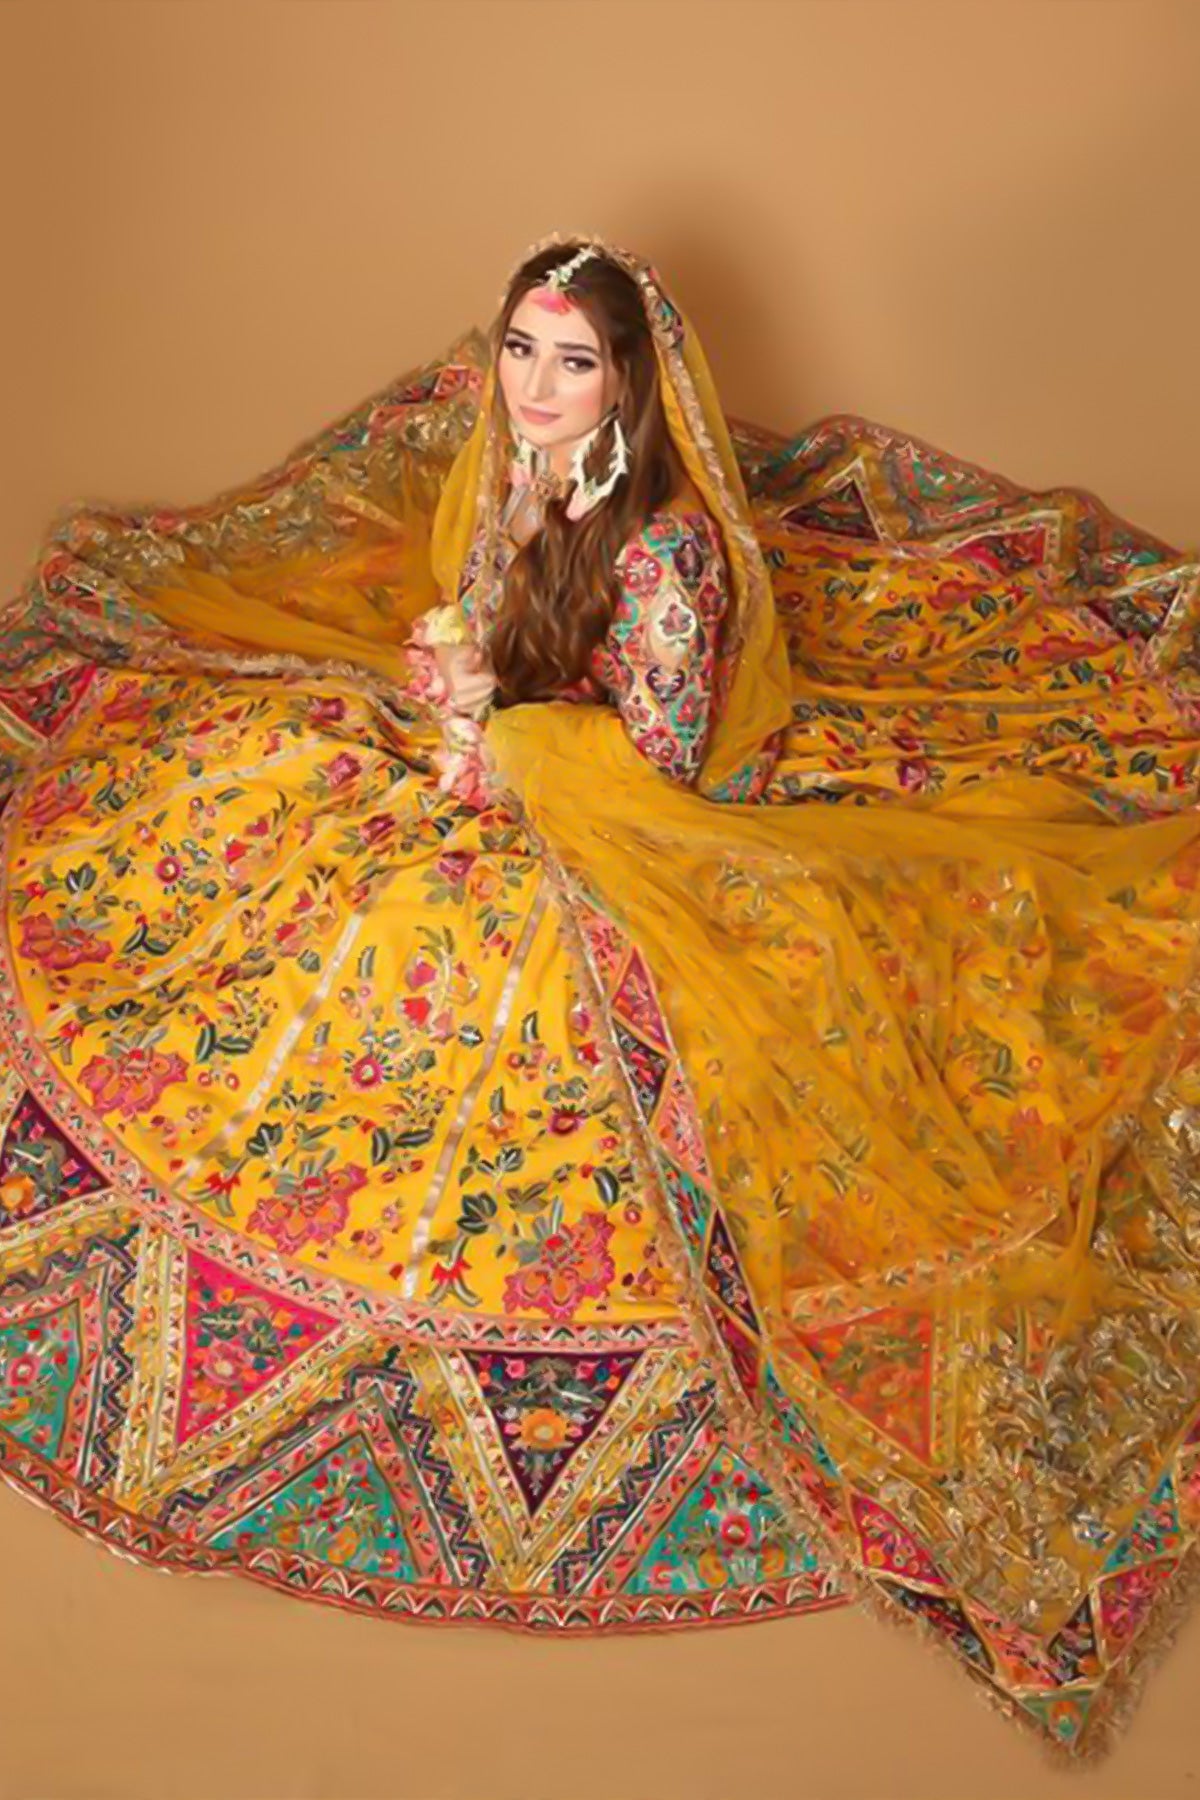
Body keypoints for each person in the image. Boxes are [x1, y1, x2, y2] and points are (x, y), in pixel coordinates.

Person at [2, 232, 1199, 1757]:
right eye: (521, 349)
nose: (535, 384)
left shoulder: (666, 554)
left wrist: (501, 726)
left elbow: (669, 757)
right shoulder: (510, 468)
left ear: (629, 379)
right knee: (264, 821)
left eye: (573, 362)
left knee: (494, 983)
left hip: (635, 814)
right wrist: (463, 687)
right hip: (523, 758)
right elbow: (483, 609)